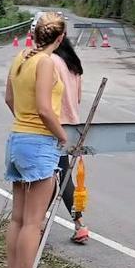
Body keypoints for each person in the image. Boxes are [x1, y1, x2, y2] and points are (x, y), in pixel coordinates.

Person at [0, 11, 70, 268]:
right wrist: (62, 137)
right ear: (60, 38)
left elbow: (9, 98)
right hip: (39, 142)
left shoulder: (22, 57)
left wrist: (23, 123)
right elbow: (45, 108)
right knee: (33, 222)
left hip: (17, 138)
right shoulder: (46, 63)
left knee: (18, 218)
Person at [51, 37, 90, 244]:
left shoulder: (51, 62)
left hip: (55, 126)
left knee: (52, 178)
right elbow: (78, 98)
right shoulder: (74, 65)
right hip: (72, 125)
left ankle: (79, 223)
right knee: (63, 175)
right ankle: (78, 224)